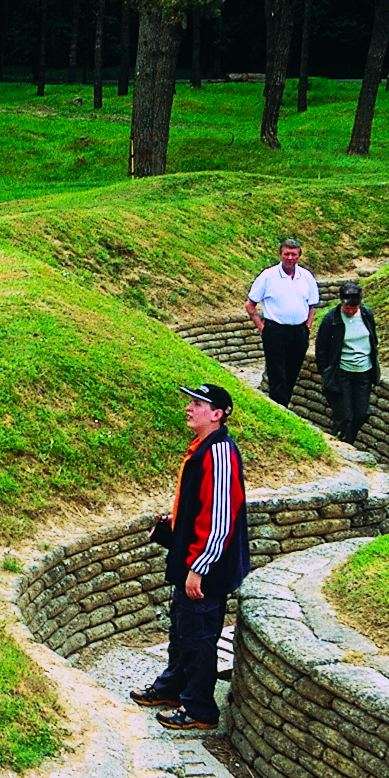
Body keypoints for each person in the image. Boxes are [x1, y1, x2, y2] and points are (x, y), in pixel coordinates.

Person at [133, 383, 251, 732]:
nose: (189, 407)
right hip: (193, 558)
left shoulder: (219, 453)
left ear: (217, 414)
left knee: (198, 636)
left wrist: (199, 568)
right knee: (183, 628)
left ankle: (199, 707)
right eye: (191, 401)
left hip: (207, 567)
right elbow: (202, 504)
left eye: (198, 403)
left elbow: (220, 518)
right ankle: (173, 687)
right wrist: (178, 519)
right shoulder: (203, 447)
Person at [245, 237, 318, 407]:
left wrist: (307, 327)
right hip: (275, 331)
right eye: (286, 254)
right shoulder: (268, 276)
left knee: (292, 371)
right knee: (276, 373)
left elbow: (312, 305)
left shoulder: (306, 276)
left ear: (299, 256)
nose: (290, 258)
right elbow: (250, 304)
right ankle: (278, 407)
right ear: (280, 255)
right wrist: (261, 326)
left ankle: (284, 406)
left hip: (299, 332)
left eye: (293, 254)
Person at [315, 280, 381, 444]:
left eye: (354, 308)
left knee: (362, 413)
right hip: (341, 373)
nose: (350, 311)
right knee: (344, 416)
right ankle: (342, 445)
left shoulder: (366, 315)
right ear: (341, 303)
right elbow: (321, 348)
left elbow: (373, 339)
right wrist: (326, 373)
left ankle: (348, 442)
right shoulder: (331, 319)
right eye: (347, 308)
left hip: (363, 372)